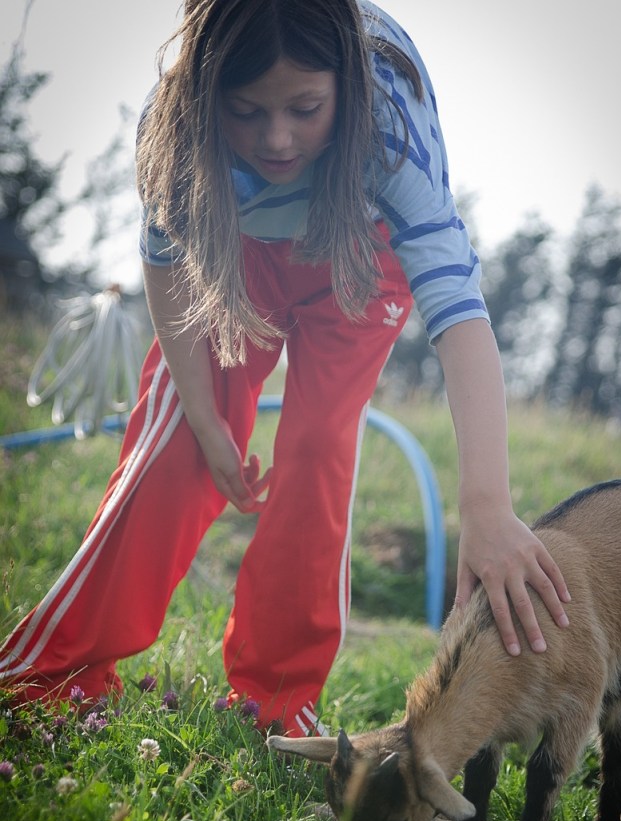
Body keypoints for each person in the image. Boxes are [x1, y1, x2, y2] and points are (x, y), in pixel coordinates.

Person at [0, 0, 570, 737]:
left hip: (363, 248)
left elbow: (459, 314)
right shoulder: (174, 130)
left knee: (319, 447)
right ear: (208, 93)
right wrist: (207, 423)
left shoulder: (390, 130)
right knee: (175, 443)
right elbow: (166, 269)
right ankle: (55, 670)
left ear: (346, 86)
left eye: (305, 108)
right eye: (246, 111)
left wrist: (487, 506)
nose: (276, 138)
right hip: (233, 245)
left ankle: (274, 697)